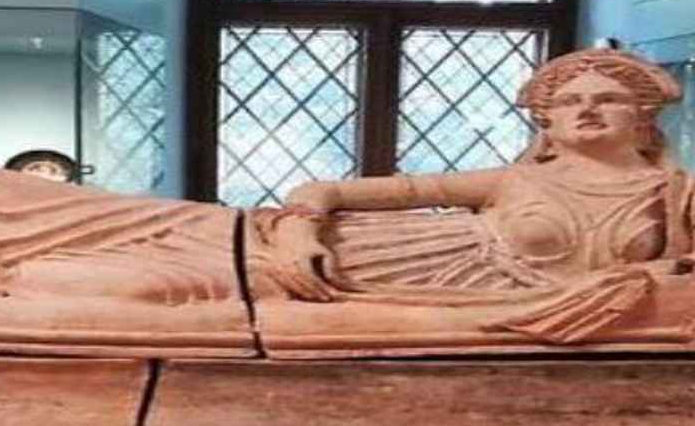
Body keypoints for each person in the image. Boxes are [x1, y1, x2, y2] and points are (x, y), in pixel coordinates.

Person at [256, 48, 695, 343]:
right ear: (548, 121)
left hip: (454, 302)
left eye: (609, 99)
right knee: (233, 250)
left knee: (241, 288)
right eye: (569, 101)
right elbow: (322, 189)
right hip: (359, 255)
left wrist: (649, 276)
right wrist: (297, 233)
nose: (587, 109)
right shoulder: (512, 181)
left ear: (643, 115)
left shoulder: (677, 193)